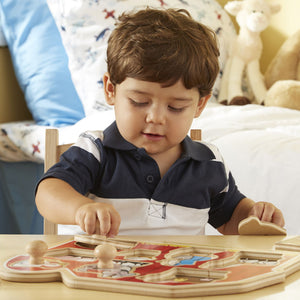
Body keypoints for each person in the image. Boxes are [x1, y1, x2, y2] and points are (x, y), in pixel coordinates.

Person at [35, 8, 284, 237]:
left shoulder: (209, 162)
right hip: (100, 279)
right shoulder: (96, 150)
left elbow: (231, 219)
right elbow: (48, 193)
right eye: (139, 101)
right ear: (111, 90)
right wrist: (80, 208)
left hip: (178, 281)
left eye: (176, 107)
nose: (155, 117)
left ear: (199, 105)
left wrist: (255, 214)